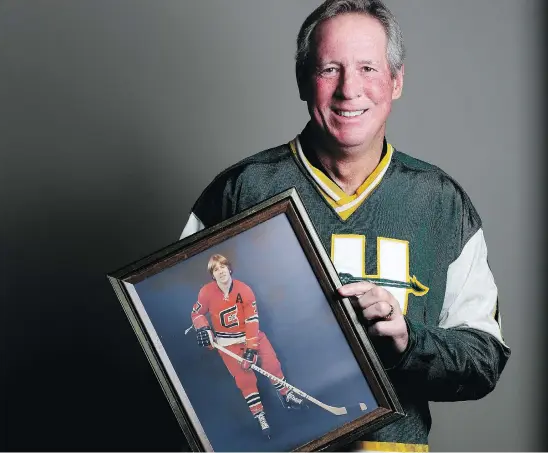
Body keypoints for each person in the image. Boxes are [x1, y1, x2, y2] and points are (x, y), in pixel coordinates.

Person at [181, 1, 511, 451]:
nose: (349, 89)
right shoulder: (239, 192)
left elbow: (483, 361)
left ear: (396, 81)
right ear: (302, 80)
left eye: (369, 68)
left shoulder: (441, 203)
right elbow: (177, 344)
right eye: (329, 69)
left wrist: (408, 343)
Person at [191, 254, 305, 438]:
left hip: (252, 337)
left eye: (223, 267)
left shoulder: (244, 290)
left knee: (272, 364)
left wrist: (251, 348)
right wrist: (203, 328)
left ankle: (287, 395)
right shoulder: (206, 292)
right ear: (212, 275)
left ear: (229, 268)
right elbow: (196, 313)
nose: (220, 271)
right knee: (245, 379)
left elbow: (252, 321)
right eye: (215, 269)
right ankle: (259, 414)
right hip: (228, 344)